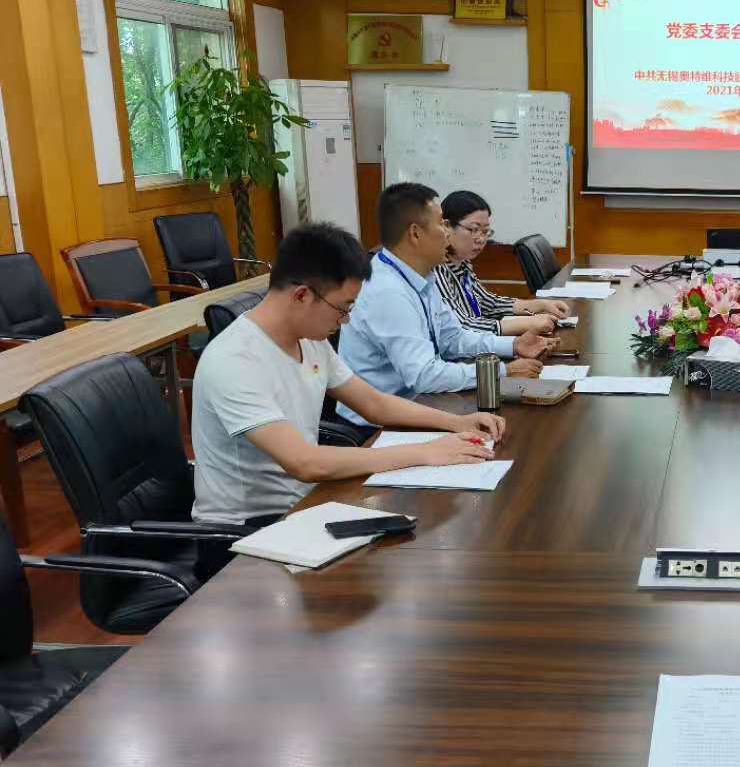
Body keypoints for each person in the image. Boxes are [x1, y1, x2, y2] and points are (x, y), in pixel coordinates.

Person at [191, 222, 507, 526]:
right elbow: (304, 462)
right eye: (343, 308)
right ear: (302, 296)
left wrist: (456, 422)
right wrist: (425, 452)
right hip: (248, 529)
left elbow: (373, 403)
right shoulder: (235, 359)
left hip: (307, 503)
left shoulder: (309, 339)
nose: (345, 321)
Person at [338, 182, 556, 426]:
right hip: (379, 427)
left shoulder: (421, 274)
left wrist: (513, 345)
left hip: (422, 404)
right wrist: (502, 371)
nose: (447, 232)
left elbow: (453, 338)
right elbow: (424, 376)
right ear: (415, 234)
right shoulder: (388, 291)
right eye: (441, 223)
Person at [436, 190, 571, 337]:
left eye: (485, 232)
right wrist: (525, 324)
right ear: (446, 226)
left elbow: (488, 303)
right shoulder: (436, 269)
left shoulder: (462, 263)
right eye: (474, 229)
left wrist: (538, 305)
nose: (481, 239)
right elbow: (460, 327)